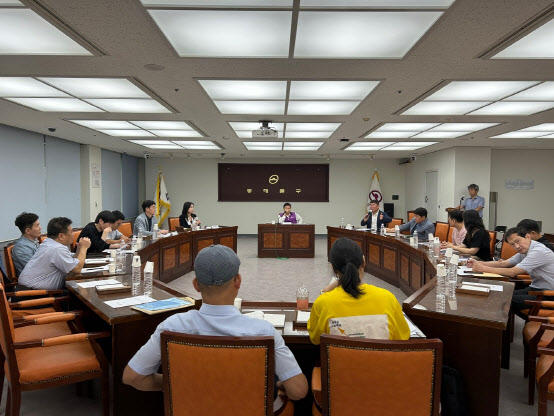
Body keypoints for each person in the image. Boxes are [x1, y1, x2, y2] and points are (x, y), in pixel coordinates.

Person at [122, 244, 308, 400]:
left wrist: (179, 383)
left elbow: (133, 377)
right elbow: (298, 391)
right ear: (238, 281)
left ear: (195, 285)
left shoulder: (171, 326)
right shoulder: (263, 330)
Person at [307, 238, 409, 345]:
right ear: (363, 261)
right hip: (381, 361)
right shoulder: (388, 298)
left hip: (341, 362)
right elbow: (402, 337)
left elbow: (315, 339)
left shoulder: (323, 303)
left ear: (333, 267)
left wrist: (324, 293)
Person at [468, 227, 554, 320]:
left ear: (528, 237)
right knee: (502, 294)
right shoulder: (526, 250)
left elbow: (512, 272)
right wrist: (478, 263)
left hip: (550, 295)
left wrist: (483, 268)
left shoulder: (538, 251)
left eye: (518, 241)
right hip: (537, 289)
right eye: (512, 244)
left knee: (504, 300)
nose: (516, 246)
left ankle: (499, 331)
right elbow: (504, 263)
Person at [18, 217, 91, 290]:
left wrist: (79, 249)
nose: (73, 235)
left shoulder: (50, 243)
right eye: (71, 232)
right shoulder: (56, 248)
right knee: (77, 296)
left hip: (33, 290)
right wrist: (84, 248)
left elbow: (72, 260)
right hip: (32, 294)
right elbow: (76, 269)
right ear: (61, 236)